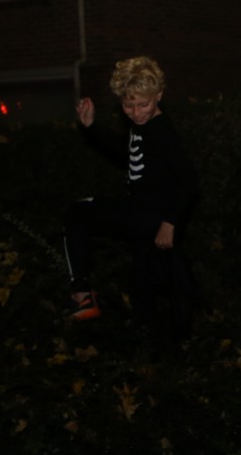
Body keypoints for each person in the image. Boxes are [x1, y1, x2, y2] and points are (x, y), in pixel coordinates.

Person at [62, 55, 198, 336]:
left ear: (159, 95)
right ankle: (167, 341)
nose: (136, 113)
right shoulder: (142, 125)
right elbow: (128, 155)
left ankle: (81, 294)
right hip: (141, 214)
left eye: (143, 104)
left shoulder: (161, 131)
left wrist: (170, 222)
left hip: (150, 215)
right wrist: (91, 126)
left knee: (77, 212)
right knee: (146, 285)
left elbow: (187, 180)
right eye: (128, 105)